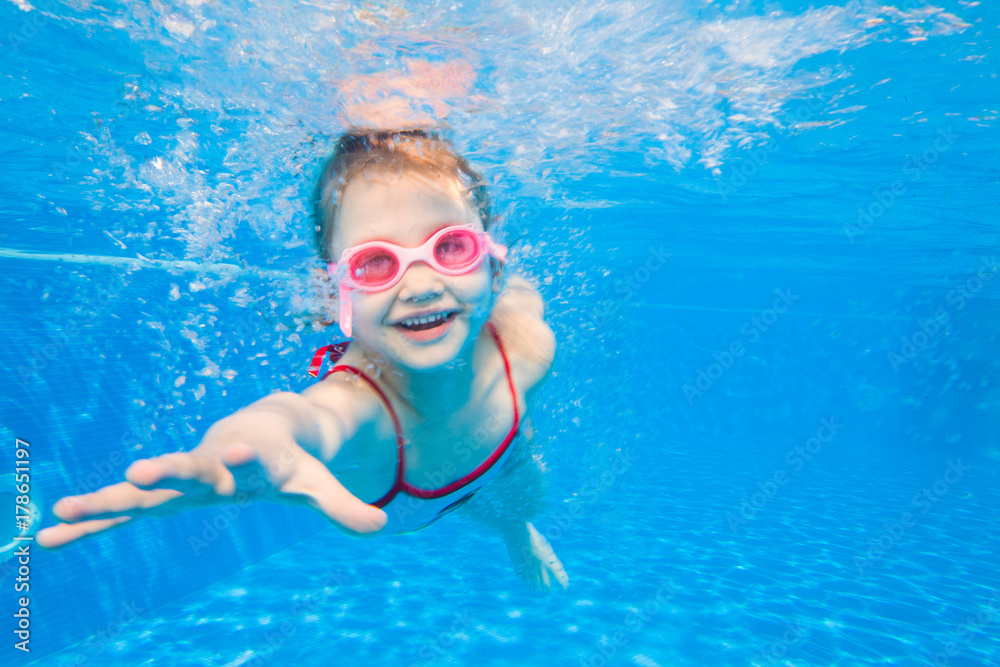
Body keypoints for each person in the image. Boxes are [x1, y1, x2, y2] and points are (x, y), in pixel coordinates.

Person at [37, 129, 569, 590]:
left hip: (498, 458)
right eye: (375, 264)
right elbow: (303, 419)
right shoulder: (363, 412)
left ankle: (514, 527)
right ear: (330, 293)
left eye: (451, 247)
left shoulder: (525, 344)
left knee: (520, 491)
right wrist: (251, 445)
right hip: (412, 503)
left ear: (491, 265)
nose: (424, 285)